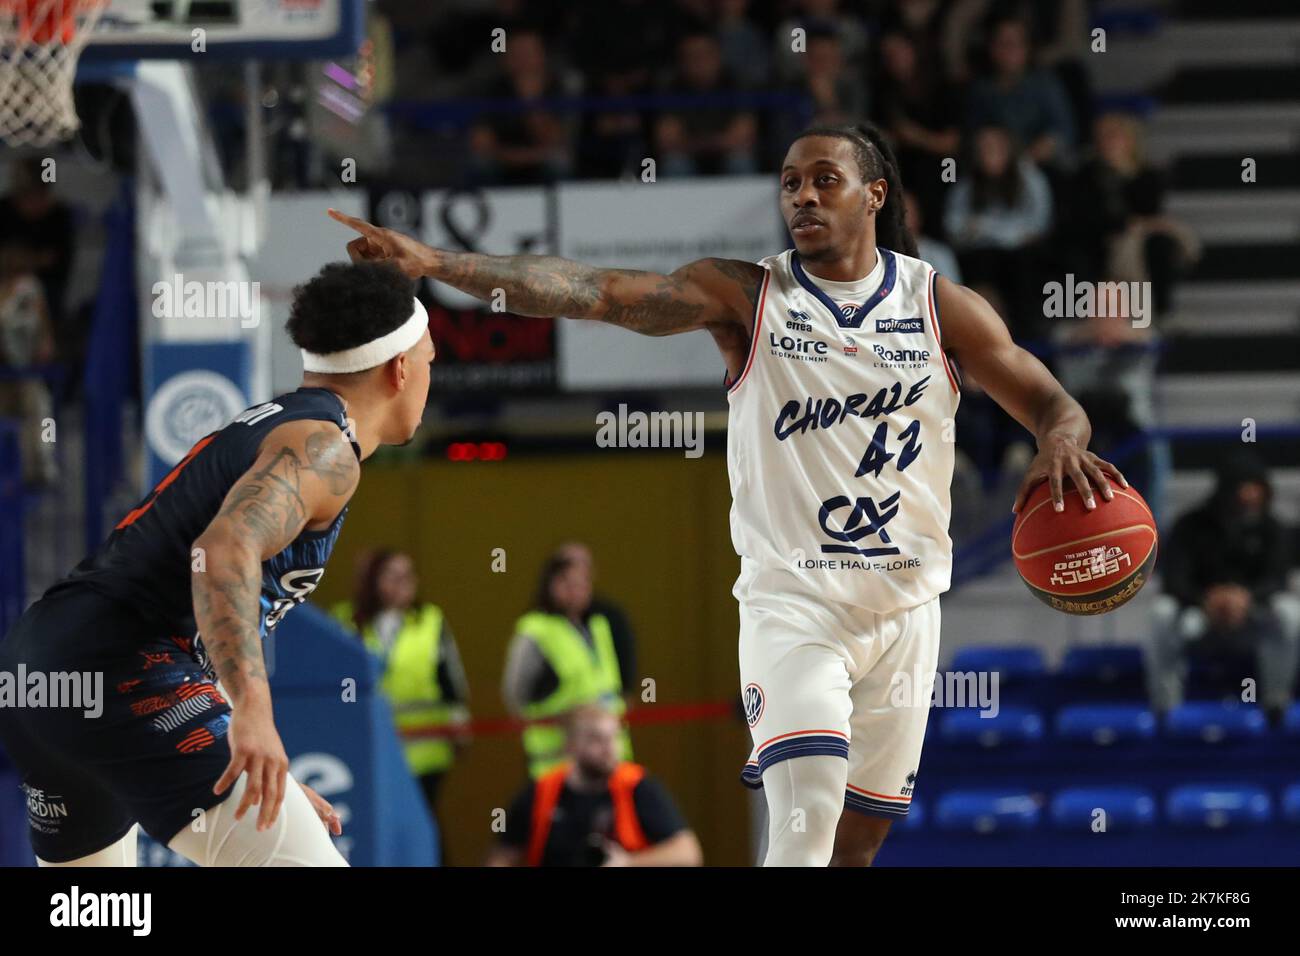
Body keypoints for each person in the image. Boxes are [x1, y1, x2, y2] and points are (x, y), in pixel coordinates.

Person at [327, 120, 1126, 867]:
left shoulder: (938, 305)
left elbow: (1056, 403)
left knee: (858, 844)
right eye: (789, 184)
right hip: (795, 605)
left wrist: (1057, 442)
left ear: (874, 193)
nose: (802, 197)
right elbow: (592, 289)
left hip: (909, 609)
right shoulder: (747, 296)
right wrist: (441, 265)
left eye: (824, 180)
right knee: (806, 819)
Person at [0, 261, 434, 866]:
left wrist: (236, 746)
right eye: (432, 362)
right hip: (123, 672)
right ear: (402, 368)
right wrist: (253, 718)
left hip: (41, 671)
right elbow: (220, 552)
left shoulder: (281, 423)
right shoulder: (326, 449)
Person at [1146, 452, 1300, 722]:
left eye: (1257, 489)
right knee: (1161, 612)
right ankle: (1166, 709)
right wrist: (1207, 600)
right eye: (1243, 488)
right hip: (1199, 618)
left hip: (1252, 620)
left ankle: (1276, 705)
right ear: (1225, 490)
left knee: (1289, 612)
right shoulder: (1190, 525)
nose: (1250, 497)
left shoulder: (1272, 528)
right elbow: (1174, 581)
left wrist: (1245, 598)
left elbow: (1277, 580)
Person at [330, 549, 469, 828]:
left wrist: (460, 727)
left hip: (424, 750)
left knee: (422, 828)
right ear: (373, 580)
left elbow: (452, 681)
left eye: (408, 576)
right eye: (392, 576)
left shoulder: (430, 619)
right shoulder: (345, 619)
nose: (402, 583)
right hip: (368, 745)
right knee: (377, 826)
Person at [486, 703, 702, 867]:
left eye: (614, 737)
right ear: (571, 745)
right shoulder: (541, 792)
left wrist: (628, 863)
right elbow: (503, 855)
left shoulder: (638, 788)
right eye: (596, 739)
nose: (609, 748)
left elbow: (687, 852)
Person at [502, 548, 634, 778]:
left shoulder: (598, 627)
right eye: (567, 582)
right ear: (550, 584)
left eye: (583, 582)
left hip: (609, 759)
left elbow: (613, 688)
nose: (577, 589)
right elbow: (515, 697)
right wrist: (562, 717)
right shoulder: (535, 631)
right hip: (558, 761)